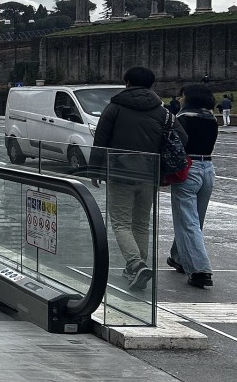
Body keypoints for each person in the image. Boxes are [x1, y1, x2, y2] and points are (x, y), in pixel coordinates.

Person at [90, 66, 186, 291]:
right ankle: (136, 267)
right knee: (141, 223)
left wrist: (94, 170)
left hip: (120, 172)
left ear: (127, 82)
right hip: (149, 174)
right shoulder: (162, 111)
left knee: (121, 223)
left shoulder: (114, 108)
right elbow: (182, 136)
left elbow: (100, 140)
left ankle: (135, 263)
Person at [168, 84, 217, 288]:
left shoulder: (182, 119)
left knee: (187, 221)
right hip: (208, 168)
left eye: (182, 96)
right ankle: (178, 256)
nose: (180, 99)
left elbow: (175, 145)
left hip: (188, 169)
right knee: (196, 219)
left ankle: (200, 269)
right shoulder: (211, 119)